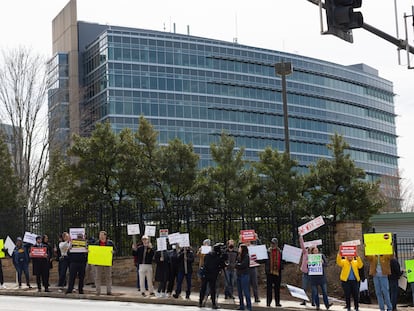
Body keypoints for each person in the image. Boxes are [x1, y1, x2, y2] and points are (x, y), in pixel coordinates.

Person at [199, 243, 227, 309]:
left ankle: (200, 302)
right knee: (213, 289)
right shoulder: (218, 257)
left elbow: (205, 262)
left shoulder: (208, 255)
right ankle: (213, 304)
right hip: (212, 275)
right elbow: (223, 265)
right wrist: (224, 258)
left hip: (205, 274)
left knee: (203, 288)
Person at [309, 246, 332, 310]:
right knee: (315, 293)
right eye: (315, 250)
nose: (316, 251)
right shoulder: (310, 257)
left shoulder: (321, 256)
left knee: (325, 292)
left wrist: (323, 263)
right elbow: (309, 268)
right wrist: (308, 263)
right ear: (312, 252)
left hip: (322, 278)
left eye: (317, 250)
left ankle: (327, 305)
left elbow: (326, 264)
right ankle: (317, 306)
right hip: (313, 278)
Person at [94, 230, 116, 296]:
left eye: (102, 235)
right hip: (98, 262)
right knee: (98, 277)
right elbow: (94, 252)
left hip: (107, 262)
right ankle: (98, 291)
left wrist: (113, 252)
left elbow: (115, 250)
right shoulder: (97, 243)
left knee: (108, 277)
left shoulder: (110, 242)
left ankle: (109, 291)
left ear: (105, 236)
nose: (100, 237)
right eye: (100, 235)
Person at [265, 237, 283, 307]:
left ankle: (277, 302)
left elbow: (283, 260)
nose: (273, 245)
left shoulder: (280, 252)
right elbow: (263, 260)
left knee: (277, 288)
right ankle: (268, 302)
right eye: (272, 243)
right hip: (269, 272)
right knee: (269, 288)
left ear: (277, 244)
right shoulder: (267, 251)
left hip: (278, 272)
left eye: (274, 243)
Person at [235, 244, 252, 311]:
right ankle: (241, 306)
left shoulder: (246, 256)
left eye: (240, 248)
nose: (239, 249)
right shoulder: (239, 256)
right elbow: (236, 263)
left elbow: (243, 265)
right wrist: (237, 265)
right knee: (239, 292)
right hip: (238, 275)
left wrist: (237, 265)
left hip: (244, 275)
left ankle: (249, 307)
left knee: (246, 291)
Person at [299, 234, 313, 306]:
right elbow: (302, 245)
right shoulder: (305, 252)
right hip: (305, 272)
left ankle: (313, 301)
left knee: (313, 288)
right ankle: (304, 301)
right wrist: (301, 237)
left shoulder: (314, 254)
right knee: (304, 287)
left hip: (312, 273)